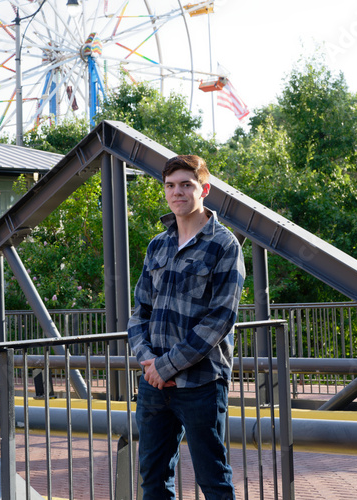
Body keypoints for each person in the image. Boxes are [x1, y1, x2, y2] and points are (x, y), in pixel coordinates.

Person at [127, 154, 245, 500]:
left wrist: (165, 366)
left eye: (186, 185)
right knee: (153, 479)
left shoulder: (224, 245)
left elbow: (220, 319)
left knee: (213, 479)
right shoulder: (158, 244)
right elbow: (140, 311)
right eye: (170, 185)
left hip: (201, 384)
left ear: (203, 189)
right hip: (153, 385)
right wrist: (148, 360)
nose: (176, 192)